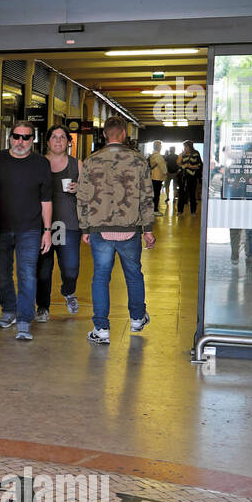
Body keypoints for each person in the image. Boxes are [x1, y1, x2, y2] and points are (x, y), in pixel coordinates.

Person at [76, 116, 155, 344]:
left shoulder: (91, 161)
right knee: (133, 275)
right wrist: (147, 228)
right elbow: (147, 197)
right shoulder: (138, 161)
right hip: (130, 229)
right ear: (123, 134)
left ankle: (101, 329)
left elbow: (82, 197)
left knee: (101, 277)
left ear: (104, 135)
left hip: (100, 230)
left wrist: (85, 227)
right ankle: (138, 318)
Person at [0, 121, 53, 341]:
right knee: (2, 273)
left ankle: (24, 319)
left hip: (30, 229)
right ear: (9, 137)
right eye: (16, 136)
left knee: (26, 275)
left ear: (33, 140)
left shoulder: (41, 163)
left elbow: (46, 200)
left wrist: (48, 230)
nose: (20, 142)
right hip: (1, 227)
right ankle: (8, 311)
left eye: (26, 137)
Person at [36, 124, 82, 319]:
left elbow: (91, 191)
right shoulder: (37, 164)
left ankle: (68, 291)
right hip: (42, 225)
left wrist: (80, 188)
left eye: (62, 137)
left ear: (68, 142)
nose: (58, 140)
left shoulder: (77, 164)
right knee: (43, 270)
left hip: (68, 224)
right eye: (54, 137)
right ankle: (43, 307)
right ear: (47, 141)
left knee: (71, 268)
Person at [176, 140, 204, 214]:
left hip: (192, 176)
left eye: (186, 147)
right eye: (184, 147)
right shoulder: (183, 154)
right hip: (183, 176)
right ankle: (180, 211)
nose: (185, 148)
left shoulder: (196, 153)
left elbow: (199, 165)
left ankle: (193, 211)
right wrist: (180, 156)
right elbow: (178, 163)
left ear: (189, 146)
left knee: (192, 194)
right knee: (181, 193)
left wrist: (191, 166)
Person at [147, 141, 168, 213]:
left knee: (153, 193)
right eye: (160, 146)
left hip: (153, 176)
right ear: (158, 147)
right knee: (156, 193)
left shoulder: (152, 155)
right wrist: (165, 173)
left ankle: (152, 208)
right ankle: (155, 209)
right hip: (158, 177)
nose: (161, 147)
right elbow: (163, 167)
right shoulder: (158, 156)